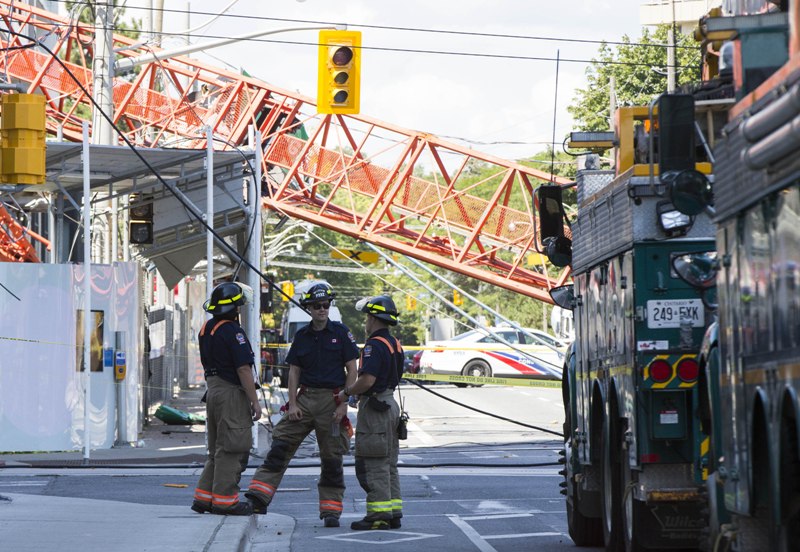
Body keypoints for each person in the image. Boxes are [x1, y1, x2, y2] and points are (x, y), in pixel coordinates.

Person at [246, 283, 359, 527]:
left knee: (332, 459)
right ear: (308, 308)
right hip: (306, 400)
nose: (322, 309)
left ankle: (331, 511)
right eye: (317, 306)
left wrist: (344, 404)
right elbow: (294, 372)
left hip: (333, 401)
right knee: (280, 446)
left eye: (326, 305)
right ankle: (258, 497)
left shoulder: (341, 333)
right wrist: (293, 403)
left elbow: (353, 369)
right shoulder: (302, 336)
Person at [191, 281, 261, 516]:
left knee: (217, 448)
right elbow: (243, 370)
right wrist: (255, 401)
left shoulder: (206, 329)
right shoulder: (233, 331)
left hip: (213, 390)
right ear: (235, 308)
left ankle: (204, 497)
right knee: (232, 447)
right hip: (231, 393)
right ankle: (224, 501)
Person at [336, 295, 404, 530]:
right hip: (390, 405)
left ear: (374, 318)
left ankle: (379, 516)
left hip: (376, 410)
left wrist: (347, 393)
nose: (365, 322)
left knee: (373, 463)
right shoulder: (394, 343)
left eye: (367, 317)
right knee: (388, 463)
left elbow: (367, 380)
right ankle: (393, 512)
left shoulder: (374, 345)